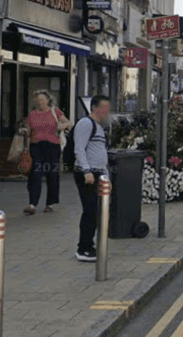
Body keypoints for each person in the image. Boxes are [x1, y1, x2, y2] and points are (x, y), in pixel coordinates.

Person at [72, 95, 111, 262]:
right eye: (104, 108)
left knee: (96, 211)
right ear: (94, 108)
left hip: (98, 173)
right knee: (90, 210)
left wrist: (106, 177)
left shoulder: (98, 127)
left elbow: (101, 153)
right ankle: (84, 248)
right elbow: (79, 149)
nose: (107, 112)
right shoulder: (85, 123)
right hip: (88, 174)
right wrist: (86, 171)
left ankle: (89, 245)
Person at [21, 90, 71, 215]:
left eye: (42, 100)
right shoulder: (32, 114)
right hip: (36, 146)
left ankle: (50, 203)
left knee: (52, 174)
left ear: (48, 100)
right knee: (35, 174)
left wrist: (62, 126)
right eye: (37, 100)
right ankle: (32, 204)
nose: (40, 102)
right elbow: (29, 130)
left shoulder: (55, 111)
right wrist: (24, 132)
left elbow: (69, 123)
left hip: (52, 146)